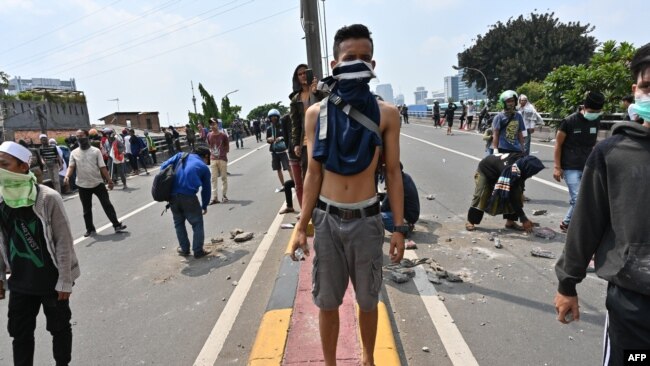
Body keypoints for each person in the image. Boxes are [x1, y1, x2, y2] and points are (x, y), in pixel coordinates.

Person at [290, 24, 405, 366]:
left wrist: (399, 227)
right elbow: (313, 173)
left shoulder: (387, 114)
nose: (358, 63)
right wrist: (301, 225)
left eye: (364, 58)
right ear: (334, 63)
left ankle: (368, 359)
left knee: (368, 301)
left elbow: (394, 173)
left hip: (367, 220)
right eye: (350, 57)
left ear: (373, 65)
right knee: (327, 302)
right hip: (327, 221)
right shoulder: (316, 115)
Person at [554, 43, 650, 366]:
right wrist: (568, 284)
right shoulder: (612, 154)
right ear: (635, 90)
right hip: (634, 308)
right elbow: (587, 222)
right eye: (649, 86)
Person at [0, 141, 80, 366]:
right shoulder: (1, 199)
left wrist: (65, 280)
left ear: (23, 166)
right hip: (20, 282)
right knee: (19, 334)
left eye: (4, 164)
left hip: (51, 282)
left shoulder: (47, 198)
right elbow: (1, 241)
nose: (0, 169)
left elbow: (63, 241)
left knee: (60, 329)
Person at [552, 91, 605, 233]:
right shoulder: (569, 121)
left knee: (586, 196)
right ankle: (578, 229)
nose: (595, 113)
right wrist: (557, 167)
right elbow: (558, 144)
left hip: (588, 164)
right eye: (592, 111)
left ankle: (566, 223)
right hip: (570, 166)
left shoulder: (596, 120)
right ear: (584, 107)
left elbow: (593, 143)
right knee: (578, 198)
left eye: (598, 111)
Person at [64, 129, 127, 237]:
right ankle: (90, 229)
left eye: (81, 136)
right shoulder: (74, 153)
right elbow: (71, 166)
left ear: (87, 137)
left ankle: (116, 225)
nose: (79, 138)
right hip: (82, 185)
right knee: (86, 209)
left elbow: (102, 167)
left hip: (97, 183)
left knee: (107, 205)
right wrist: (67, 176)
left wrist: (110, 180)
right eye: (77, 136)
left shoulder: (96, 151)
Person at [465, 153, 544, 232]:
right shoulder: (510, 171)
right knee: (481, 195)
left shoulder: (521, 163)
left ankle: (510, 222)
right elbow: (511, 195)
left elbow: (520, 181)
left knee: (517, 195)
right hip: (485, 171)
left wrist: (521, 192)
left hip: (499, 170)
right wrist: (524, 219)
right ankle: (471, 221)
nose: (531, 176)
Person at [160, 147, 212, 259]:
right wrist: (204, 205)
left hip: (172, 196)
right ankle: (198, 251)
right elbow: (206, 189)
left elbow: (163, 166)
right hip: (189, 198)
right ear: (206, 156)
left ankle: (184, 249)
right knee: (197, 223)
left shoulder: (180, 156)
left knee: (178, 223)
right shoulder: (203, 168)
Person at [289, 63, 324, 209]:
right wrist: (296, 143)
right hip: (305, 142)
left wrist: (316, 92)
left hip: (322, 138)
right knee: (307, 176)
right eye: (300, 74)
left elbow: (328, 106)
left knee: (325, 173)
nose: (303, 75)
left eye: (305, 72)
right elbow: (295, 124)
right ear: (296, 78)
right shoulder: (295, 99)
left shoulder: (320, 90)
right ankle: (310, 208)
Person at [380, 163, 419, 236]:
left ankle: (404, 229)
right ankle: (406, 225)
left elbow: (384, 207)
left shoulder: (395, 184)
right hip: (412, 216)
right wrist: (381, 196)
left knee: (375, 217)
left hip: (407, 217)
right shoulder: (406, 177)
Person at [266, 109, 291, 192]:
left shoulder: (282, 126)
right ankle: (283, 185)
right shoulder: (269, 129)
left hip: (283, 151)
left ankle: (294, 183)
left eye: (274, 117)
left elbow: (287, 135)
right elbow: (267, 139)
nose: (273, 119)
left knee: (289, 168)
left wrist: (281, 138)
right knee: (278, 169)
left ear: (277, 117)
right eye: (271, 117)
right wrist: (269, 139)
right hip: (274, 152)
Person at [207, 120, 229, 204]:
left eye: (213, 124)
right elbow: (209, 146)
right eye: (211, 124)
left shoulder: (223, 135)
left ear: (217, 124)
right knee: (213, 179)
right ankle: (215, 197)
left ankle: (224, 196)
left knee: (224, 178)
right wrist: (211, 157)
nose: (212, 126)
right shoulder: (209, 135)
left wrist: (222, 155)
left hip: (222, 159)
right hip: (213, 159)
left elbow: (227, 147)